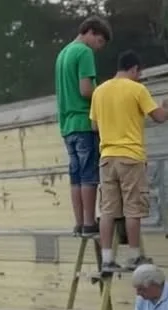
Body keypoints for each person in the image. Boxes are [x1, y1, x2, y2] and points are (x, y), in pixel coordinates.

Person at [89, 50, 168, 273]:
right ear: (134, 69)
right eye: (139, 73)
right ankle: (135, 256)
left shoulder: (99, 91)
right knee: (132, 209)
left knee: (108, 211)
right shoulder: (137, 89)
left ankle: (107, 260)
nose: (139, 77)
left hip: (106, 158)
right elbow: (159, 117)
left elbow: (94, 126)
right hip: (130, 156)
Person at [55, 16, 112, 238]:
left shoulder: (63, 54)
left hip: (67, 125)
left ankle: (79, 223)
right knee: (89, 174)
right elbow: (86, 90)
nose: (99, 48)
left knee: (76, 176)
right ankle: (89, 223)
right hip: (83, 122)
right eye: (99, 41)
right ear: (90, 32)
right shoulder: (84, 52)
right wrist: (105, 93)